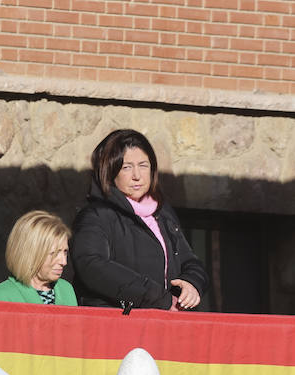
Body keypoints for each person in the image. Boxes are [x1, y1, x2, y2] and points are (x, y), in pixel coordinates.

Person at [71, 128, 208, 312]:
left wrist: (192, 283)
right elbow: (92, 266)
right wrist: (159, 298)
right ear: (110, 171)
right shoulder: (96, 215)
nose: (137, 175)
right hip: (119, 325)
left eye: (143, 165)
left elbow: (189, 260)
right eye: (126, 167)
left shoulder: (162, 212)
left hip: (166, 322)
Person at [0, 210, 78, 306]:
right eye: (54, 253)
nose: (64, 262)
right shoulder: (4, 295)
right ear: (31, 253)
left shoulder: (66, 289)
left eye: (65, 252)